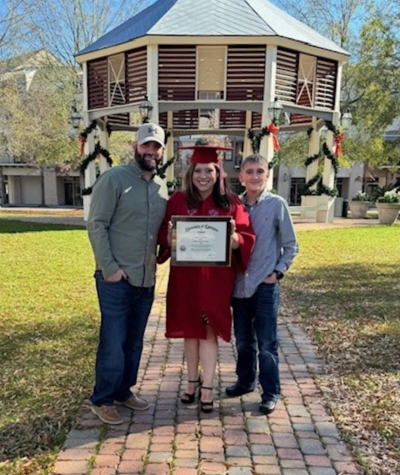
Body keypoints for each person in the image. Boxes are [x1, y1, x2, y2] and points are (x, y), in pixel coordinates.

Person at [158, 144, 255, 413]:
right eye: (198, 170)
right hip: (186, 278)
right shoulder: (177, 201)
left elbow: (246, 238)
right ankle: (191, 382)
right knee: (190, 330)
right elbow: (164, 241)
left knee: (209, 329)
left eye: (209, 171)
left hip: (215, 279)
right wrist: (169, 236)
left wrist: (234, 238)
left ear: (218, 172)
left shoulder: (231, 203)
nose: (203, 176)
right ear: (191, 172)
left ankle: (208, 386)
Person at [87, 122, 168, 425]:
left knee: (134, 341)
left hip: (145, 278)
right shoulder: (114, 179)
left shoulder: (160, 187)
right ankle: (102, 398)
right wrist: (110, 269)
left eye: (156, 146)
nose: (151, 151)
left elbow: (159, 230)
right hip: (116, 279)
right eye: (146, 145)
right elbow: (97, 224)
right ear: (136, 146)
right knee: (113, 339)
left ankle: (123, 390)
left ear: (162, 151)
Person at [225, 153, 298, 415]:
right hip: (239, 285)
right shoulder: (234, 206)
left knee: (267, 343)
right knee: (244, 340)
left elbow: (291, 246)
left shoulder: (277, 204)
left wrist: (277, 273)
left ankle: (270, 392)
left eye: (260, 171)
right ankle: (245, 381)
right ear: (241, 177)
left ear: (267, 175)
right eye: (249, 172)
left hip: (265, 285)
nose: (255, 176)